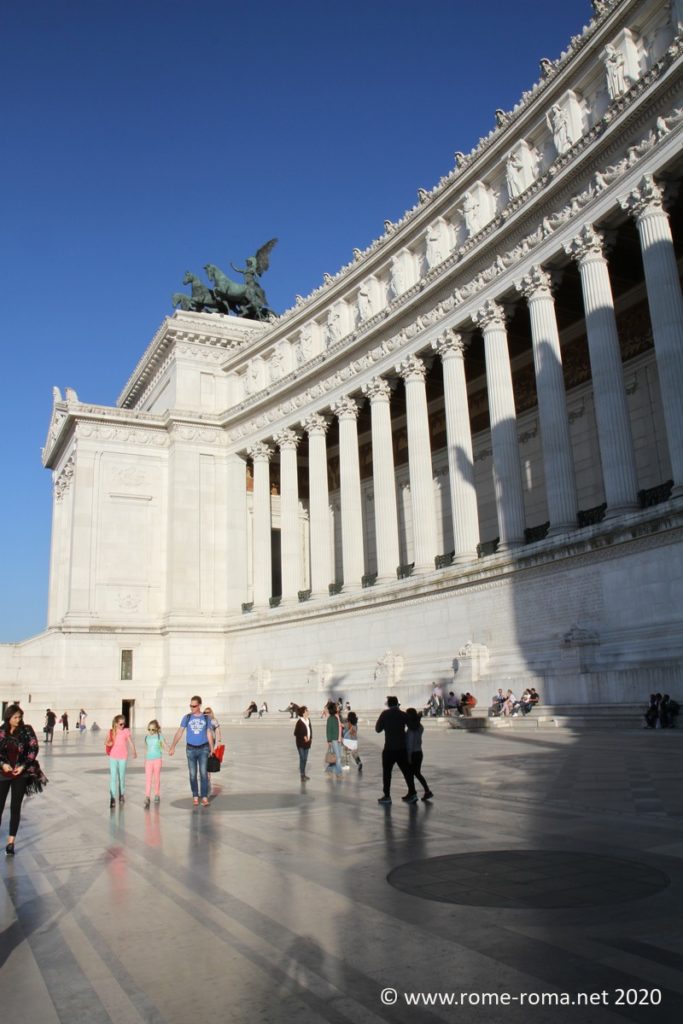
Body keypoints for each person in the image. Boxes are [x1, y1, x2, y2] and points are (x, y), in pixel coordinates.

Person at [0, 704, 39, 855]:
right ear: (8, 717)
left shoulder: (26, 730)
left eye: (20, 717)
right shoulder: (1, 731)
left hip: (20, 774)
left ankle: (11, 843)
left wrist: (23, 766)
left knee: (15, 808)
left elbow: (33, 748)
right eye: (15, 717)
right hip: (3, 774)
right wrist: (3, 764)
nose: (18, 720)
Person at [169, 696, 215, 806]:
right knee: (193, 774)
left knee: (204, 773)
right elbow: (180, 732)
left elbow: (209, 733)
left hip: (204, 748)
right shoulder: (187, 717)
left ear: (199, 705)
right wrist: (173, 746)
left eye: (194, 706)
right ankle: (195, 795)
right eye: (191, 705)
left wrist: (212, 748)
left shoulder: (206, 718)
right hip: (190, 749)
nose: (192, 708)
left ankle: (204, 796)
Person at [375, 696, 417, 805]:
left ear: (389, 704)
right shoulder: (403, 714)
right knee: (407, 772)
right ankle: (412, 793)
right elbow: (413, 726)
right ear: (397, 703)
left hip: (389, 748)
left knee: (387, 773)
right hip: (401, 748)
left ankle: (387, 795)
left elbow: (377, 729)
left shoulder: (385, 714)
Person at [106, 715, 137, 808]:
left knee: (122, 777)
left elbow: (130, 742)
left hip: (123, 757)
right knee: (113, 777)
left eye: (124, 723)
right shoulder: (111, 732)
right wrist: (109, 743)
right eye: (120, 724)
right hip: (113, 757)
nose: (122, 725)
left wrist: (134, 751)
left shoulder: (125, 731)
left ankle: (121, 794)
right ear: (116, 724)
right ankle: (112, 798)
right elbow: (106, 742)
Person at [405, 708, 433, 802]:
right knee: (416, 773)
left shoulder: (411, 730)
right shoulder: (419, 728)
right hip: (419, 752)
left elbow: (410, 745)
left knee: (411, 774)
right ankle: (422, 791)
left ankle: (413, 793)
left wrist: (408, 758)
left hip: (413, 754)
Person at [143, 719, 166, 808]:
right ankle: (147, 796)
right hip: (148, 761)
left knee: (156, 778)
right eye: (149, 729)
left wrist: (170, 750)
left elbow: (164, 746)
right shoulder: (146, 738)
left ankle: (156, 794)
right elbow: (146, 749)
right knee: (148, 779)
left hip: (157, 760)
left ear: (156, 729)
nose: (150, 731)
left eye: (152, 729)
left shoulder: (159, 737)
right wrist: (145, 760)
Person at [325, 700, 343, 777]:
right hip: (334, 739)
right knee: (338, 757)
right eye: (336, 706)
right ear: (334, 709)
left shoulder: (338, 716)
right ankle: (338, 773)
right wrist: (329, 740)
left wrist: (341, 737)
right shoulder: (331, 718)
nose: (338, 707)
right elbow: (328, 729)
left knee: (336, 756)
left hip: (338, 739)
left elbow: (339, 727)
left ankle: (329, 769)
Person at [294, 706, 312, 780]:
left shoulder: (308, 720)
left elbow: (310, 730)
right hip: (301, 743)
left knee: (305, 759)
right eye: (306, 710)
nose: (308, 711)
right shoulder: (299, 721)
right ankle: (302, 775)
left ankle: (303, 774)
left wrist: (310, 738)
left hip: (307, 743)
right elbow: (296, 733)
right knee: (302, 758)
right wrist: (304, 736)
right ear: (303, 712)